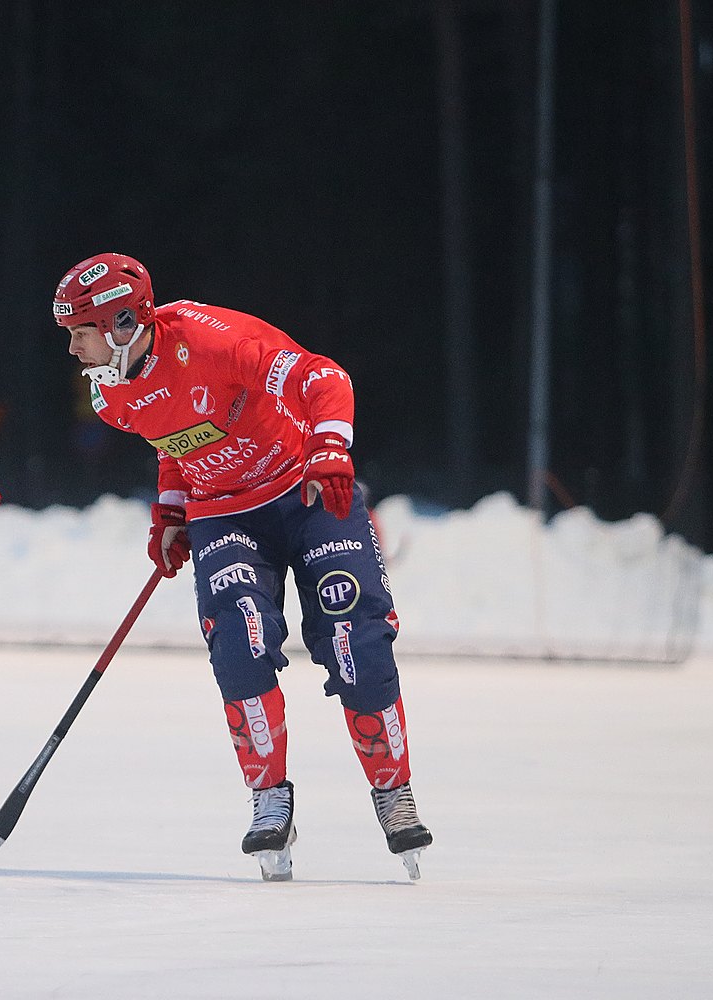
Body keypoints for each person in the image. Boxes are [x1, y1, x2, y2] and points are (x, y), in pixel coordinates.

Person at [53, 252, 432, 881]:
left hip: (307, 492)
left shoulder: (216, 341)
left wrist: (331, 447)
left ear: (123, 324)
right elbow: (174, 438)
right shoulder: (110, 395)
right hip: (225, 515)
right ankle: (269, 799)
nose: (71, 348)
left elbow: (324, 376)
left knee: (354, 637)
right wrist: (172, 511)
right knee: (237, 643)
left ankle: (393, 793)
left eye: (79, 332)